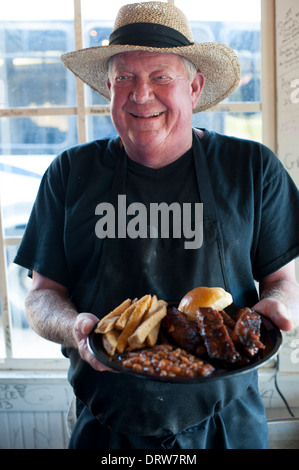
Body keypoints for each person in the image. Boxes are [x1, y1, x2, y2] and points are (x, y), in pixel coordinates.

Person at [14, 2, 299, 449]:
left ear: (195, 86)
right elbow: (42, 296)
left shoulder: (251, 168)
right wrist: (75, 328)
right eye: (124, 78)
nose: (141, 94)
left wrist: (279, 308)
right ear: (108, 87)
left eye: (161, 77)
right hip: (106, 427)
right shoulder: (70, 172)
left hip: (227, 427)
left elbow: (281, 281)